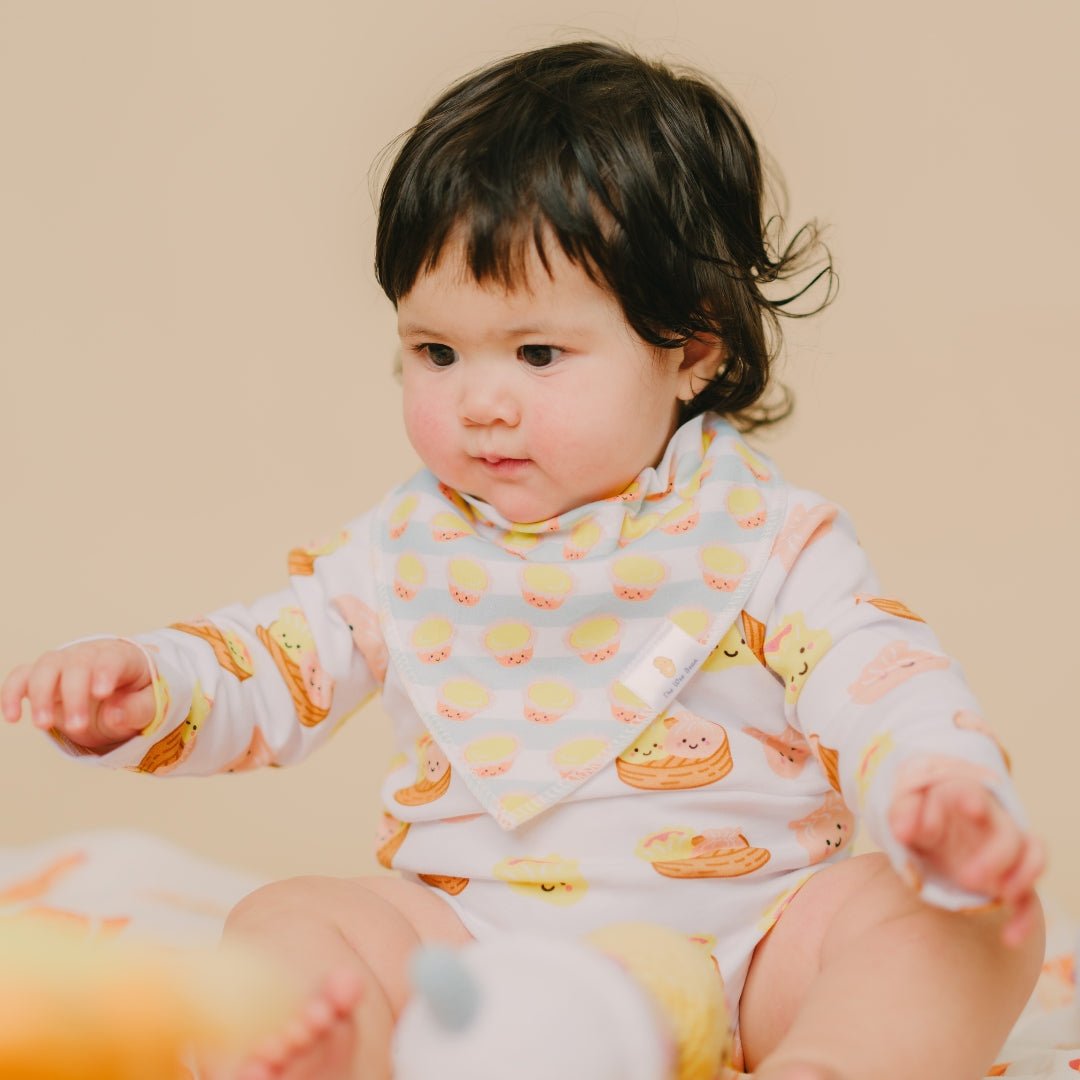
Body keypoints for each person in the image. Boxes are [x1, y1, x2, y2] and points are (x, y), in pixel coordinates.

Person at [1, 40, 1045, 1080]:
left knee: (970, 920)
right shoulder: (404, 551)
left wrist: (938, 790)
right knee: (290, 916)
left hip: (747, 960)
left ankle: (832, 1061)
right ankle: (341, 1054)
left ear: (692, 348)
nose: (479, 401)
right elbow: (274, 660)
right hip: (472, 962)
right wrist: (150, 683)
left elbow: (883, 679)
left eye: (538, 353)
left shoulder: (770, 539)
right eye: (437, 352)